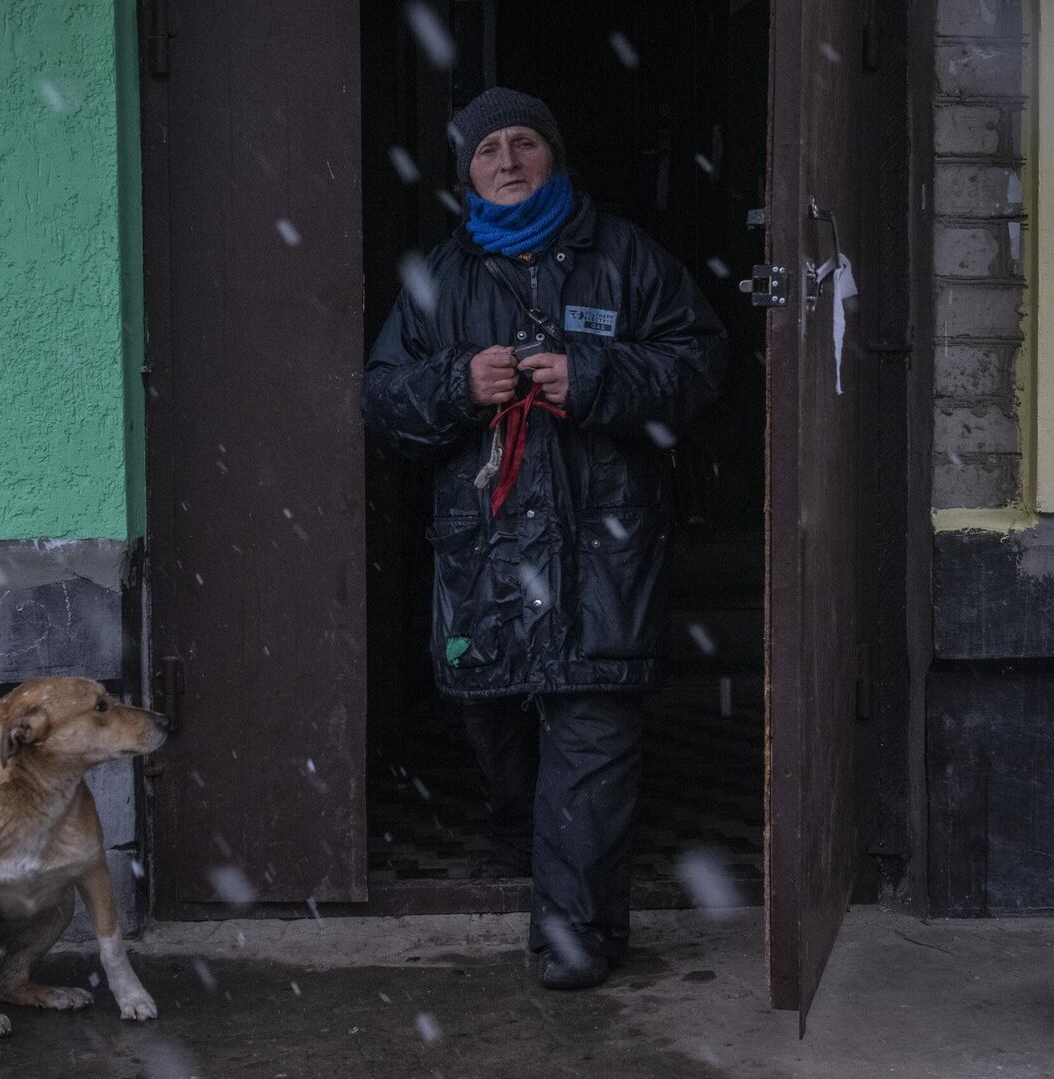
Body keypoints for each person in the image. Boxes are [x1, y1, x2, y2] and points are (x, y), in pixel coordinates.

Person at [362, 87, 728, 990]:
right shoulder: (437, 279)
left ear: (554, 158)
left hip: (600, 547)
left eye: (526, 143)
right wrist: (454, 383)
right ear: (468, 176)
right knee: (493, 718)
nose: (510, 161)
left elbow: (703, 360)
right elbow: (379, 402)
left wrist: (598, 376)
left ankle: (573, 935)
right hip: (484, 553)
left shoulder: (626, 256)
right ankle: (525, 839)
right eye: (490, 152)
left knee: (591, 728)